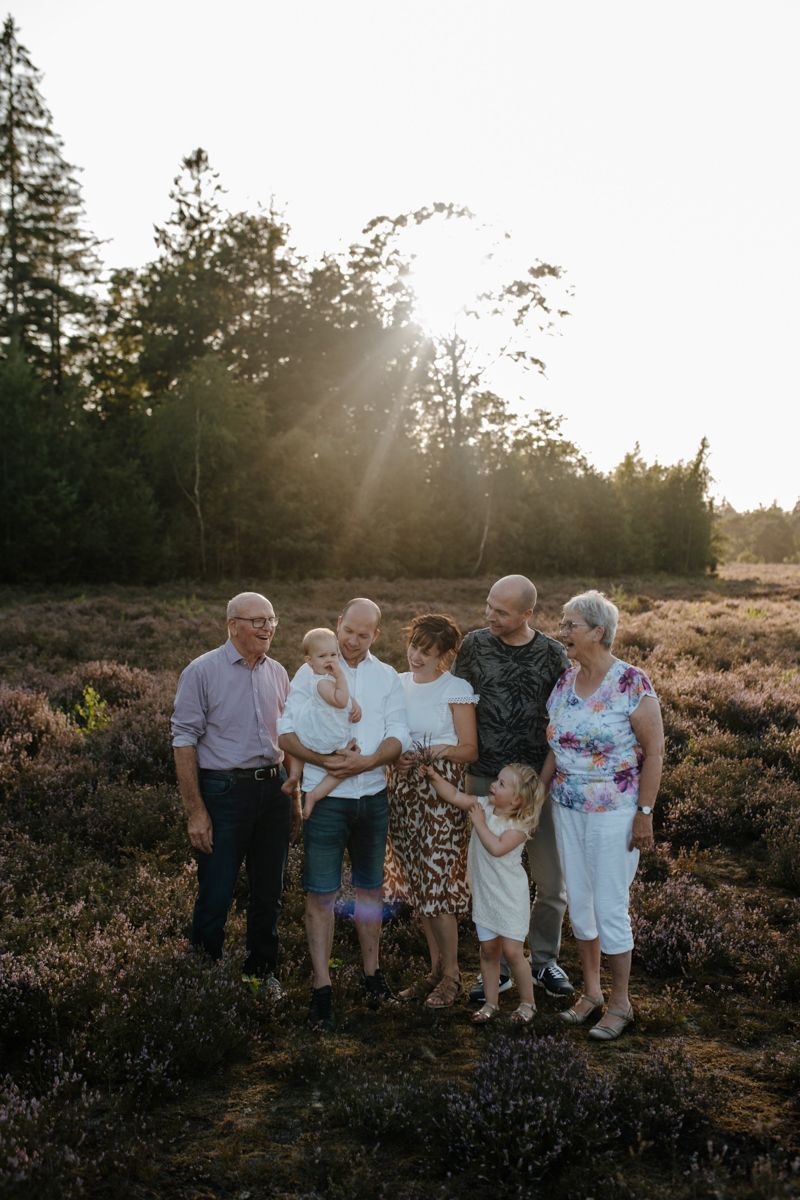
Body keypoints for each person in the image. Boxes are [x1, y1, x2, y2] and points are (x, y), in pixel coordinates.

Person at [277, 598, 410, 1031]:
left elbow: (397, 736)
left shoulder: (387, 677)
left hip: (372, 797)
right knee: (321, 894)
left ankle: (373, 977)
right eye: (347, 631)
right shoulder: (309, 670)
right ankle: (322, 988)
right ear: (338, 624)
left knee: (370, 891)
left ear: (377, 635)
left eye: (363, 634)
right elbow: (285, 731)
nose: (352, 641)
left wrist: (364, 763)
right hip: (326, 798)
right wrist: (323, 758)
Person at [544, 590, 664, 1040]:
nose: (562, 632)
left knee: (611, 905)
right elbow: (556, 747)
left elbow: (654, 753)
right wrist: (538, 793)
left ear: (598, 631)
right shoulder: (564, 683)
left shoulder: (632, 682)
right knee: (579, 902)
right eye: (562, 623)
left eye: (570, 625)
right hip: (567, 808)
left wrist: (644, 814)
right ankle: (591, 993)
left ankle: (620, 1003)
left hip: (615, 812)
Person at [171, 592, 300, 995]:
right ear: (233, 625)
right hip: (224, 792)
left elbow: (291, 737)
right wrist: (196, 811)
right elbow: (183, 740)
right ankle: (202, 978)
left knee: (269, 893)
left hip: (275, 789)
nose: (267, 627)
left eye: (271, 619)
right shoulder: (201, 671)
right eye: (257, 620)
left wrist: (293, 799)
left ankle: (261, 972)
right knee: (217, 890)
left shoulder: (278, 671)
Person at [453, 574, 574, 1001]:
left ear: (528, 614)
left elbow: (563, 723)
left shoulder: (553, 655)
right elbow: (453, 701)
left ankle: (543, 962)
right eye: (488, 605)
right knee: (492, 877)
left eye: (501, 611)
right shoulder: (473, 646)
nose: (490, 616)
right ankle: (499, 967)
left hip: (536, 782)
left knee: (550, 879)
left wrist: (539, 791)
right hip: (486, 778)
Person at [383, 613, 479, 1008]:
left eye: (427, 651)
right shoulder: (396, 684)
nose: (416, 656)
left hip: (440, 794)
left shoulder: (455, 688)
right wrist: (397, 757)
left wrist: (428, 751)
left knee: (438, 885)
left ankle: (453, 977)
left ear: (445, 655)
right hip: (402, 792)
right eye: (414, 646)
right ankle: (435, 970)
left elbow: (470, 749)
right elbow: (388, 733)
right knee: (420, 887)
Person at [423, 762, 544, 1024]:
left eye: (501, 784)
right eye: (496, 779)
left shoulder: (518, 827)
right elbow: (454, 796)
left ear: (517, 799)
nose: (493, 784)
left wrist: (478, 823)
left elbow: (497, 847)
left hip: (510, 898)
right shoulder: (484, 806)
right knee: (488, 950)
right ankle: (491, 1003)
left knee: (512, 952)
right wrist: (433, 777)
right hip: (486, 895)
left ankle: (527, 1003)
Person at [280, 628, 363, 821]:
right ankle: (315, 795)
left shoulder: (324, 679)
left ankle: (294, 775)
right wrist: (342, 676)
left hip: (310, 729)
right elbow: (340, 700)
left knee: (302, 738)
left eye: (334, 654)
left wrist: (354, 703)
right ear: (309, 661)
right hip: (327, 734)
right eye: (322, 656)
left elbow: (344, 696)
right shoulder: (322, 683)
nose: (330, 660)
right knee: (346, 762)